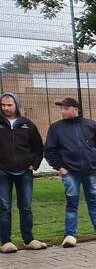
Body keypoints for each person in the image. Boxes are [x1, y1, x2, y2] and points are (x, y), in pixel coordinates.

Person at [43, 97, 96, 248]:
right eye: (61, 108)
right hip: (70, 172)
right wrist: (59, 167)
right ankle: (70, 235)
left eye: (65, 108)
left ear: (75, 109)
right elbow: (49, 150)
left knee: (93, 201)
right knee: (72, 203)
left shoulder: (91, 125)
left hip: (91, 171)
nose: (62, 111)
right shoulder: (55, 128)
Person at [0, 92, 47, 253]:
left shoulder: (28, 125)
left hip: (25, 172)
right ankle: (5, 241)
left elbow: (38, 148)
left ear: (16, 105)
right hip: (3, 172)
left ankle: (29, 239)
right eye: (3, 105)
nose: (6, 108)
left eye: (9, 105)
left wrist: (34, 165)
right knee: (4, 207)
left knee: (26, 207)